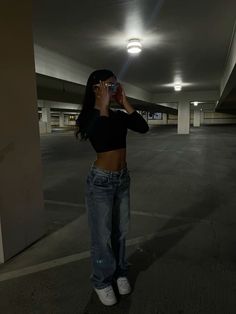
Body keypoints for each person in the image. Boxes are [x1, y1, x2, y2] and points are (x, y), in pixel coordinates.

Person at [75, 69, 149, 306]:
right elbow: (103, 139)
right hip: (101, 182)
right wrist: (104, 105)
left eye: (116, 85)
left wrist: (124, 101)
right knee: (102, 236)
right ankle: (101, 280)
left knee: (121, 231)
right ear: (96, 88)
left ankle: (118, 273)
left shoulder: (118, 115)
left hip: (122, 179)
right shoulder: (88, 116)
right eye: (109, 85)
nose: (114, 88)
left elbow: (142, 126)